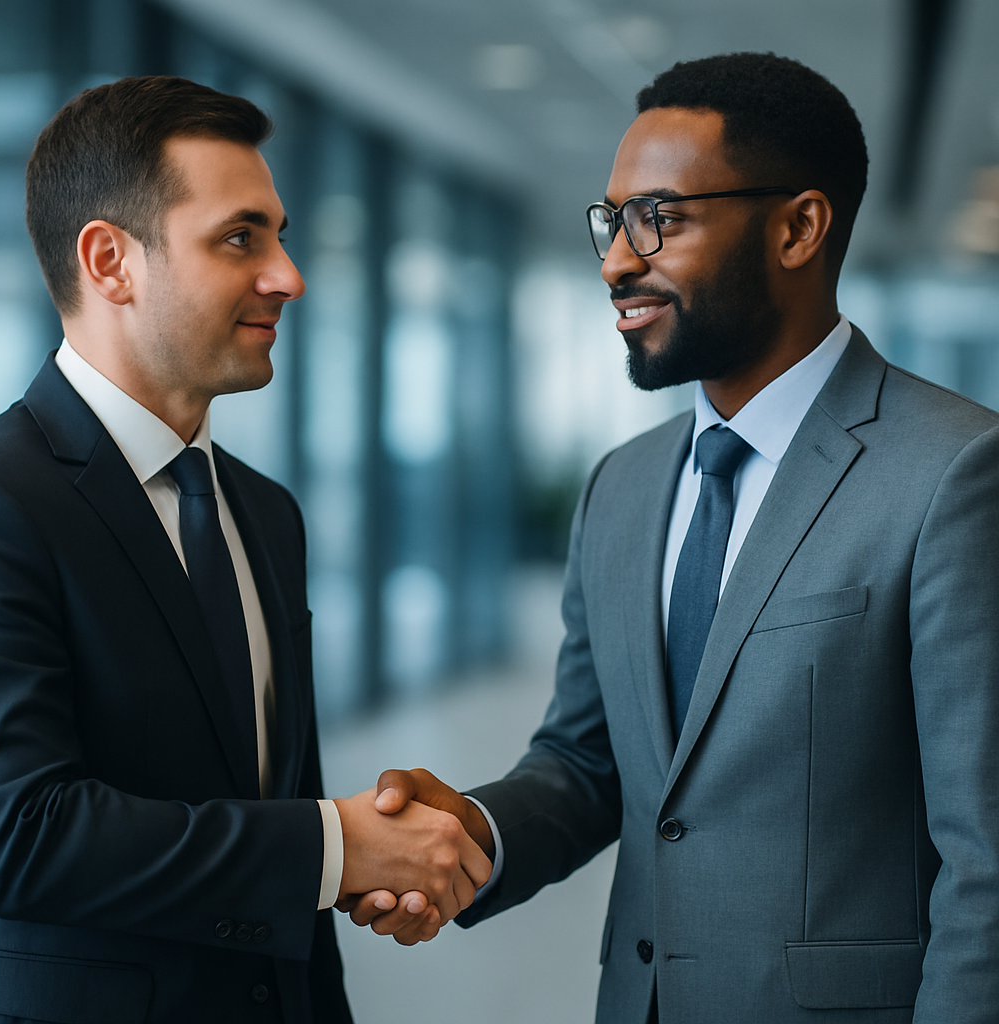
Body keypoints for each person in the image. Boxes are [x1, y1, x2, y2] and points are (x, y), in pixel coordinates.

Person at [349, 53, 999, 1022]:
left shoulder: (956, 474)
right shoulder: (621, 486)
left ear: (797, 228)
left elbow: (987, 862)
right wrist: (471, 830)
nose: (616, 260)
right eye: (611, 221)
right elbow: (587, 762)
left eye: (659, 218)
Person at [0, 76, 489, 1023]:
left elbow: (275, 806)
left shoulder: (266, 512)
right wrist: (336, 848)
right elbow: (19, 837)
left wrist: (346, 867)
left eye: (279, 236)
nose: (289, 276)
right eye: (241, 239)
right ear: (110, 262)